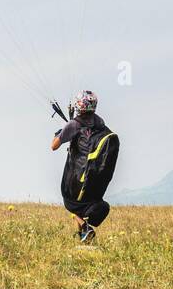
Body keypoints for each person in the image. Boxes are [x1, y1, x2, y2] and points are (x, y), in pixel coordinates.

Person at [50, 90, 120, 244]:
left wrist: (61, 132)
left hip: (77, 178)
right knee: (81, 204)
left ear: (78, 106)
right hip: (92, 181)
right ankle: (82, 236)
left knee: (70, 203)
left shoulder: (74, 124)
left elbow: (53, 146)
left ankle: (85, 228)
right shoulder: (100, 124)